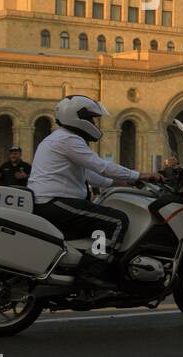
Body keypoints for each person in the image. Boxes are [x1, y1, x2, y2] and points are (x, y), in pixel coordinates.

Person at [28, 95, 162, 264]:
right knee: (118, 221)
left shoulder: (60, 138)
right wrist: (140, 175)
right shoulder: (68, 139)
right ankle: (94, 270)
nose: (93, 122)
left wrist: (129, 183)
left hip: (51, 202)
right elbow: (101, 166)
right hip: (53, 202)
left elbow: (92, 176)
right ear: (78, 117)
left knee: (103, 219)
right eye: (90, 118)